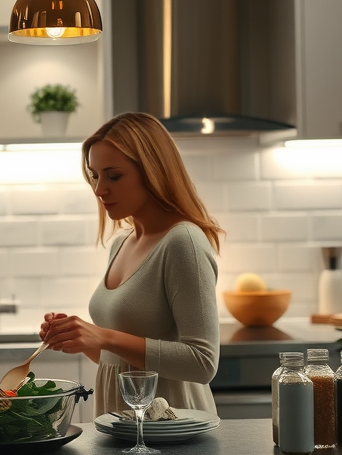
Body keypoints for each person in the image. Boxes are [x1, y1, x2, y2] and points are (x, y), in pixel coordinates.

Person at [39, 112, 222, 415]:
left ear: (153, 171)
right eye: (95, 176)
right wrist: (80, 339)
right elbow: (119, 358)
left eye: (114, 176)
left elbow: (202, 362)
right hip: (121, 427)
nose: (99, 190)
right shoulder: (121, 244)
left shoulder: (182, 242)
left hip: (172, 429)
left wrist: (102, 334)